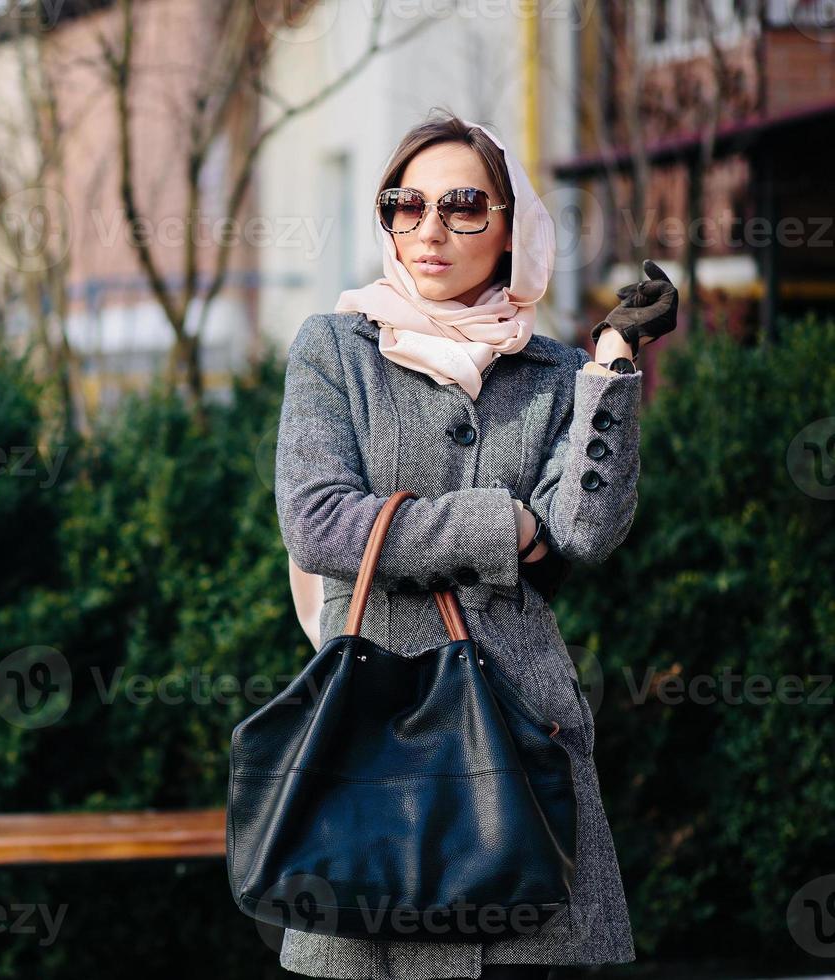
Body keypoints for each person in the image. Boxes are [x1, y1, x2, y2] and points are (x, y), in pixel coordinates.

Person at [271, 109, 677, 980]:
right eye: (404, 205)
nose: (429, 230)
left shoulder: (559, 372)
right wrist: (505, 526)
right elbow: (319, 519)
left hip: (522, 735)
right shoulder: (335, 350)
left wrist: (610, 365)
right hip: (374, 738)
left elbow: (584, 530)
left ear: (512, 228)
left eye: (462, 206)